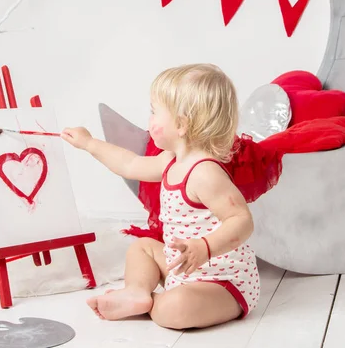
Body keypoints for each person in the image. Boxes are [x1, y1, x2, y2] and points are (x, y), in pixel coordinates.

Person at [61, 63, 260, 330]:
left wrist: (204, 247)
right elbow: (129, 164)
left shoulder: (205, 173)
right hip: (182, 271)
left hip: (222, 282)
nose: (150, 119)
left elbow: (241, 219)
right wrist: (89, 143)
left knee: (175, 310)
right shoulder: (170, 160)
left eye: (155, 112)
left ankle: (156, 302)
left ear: (180, 125)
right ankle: (137, 292)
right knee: (141, 247)